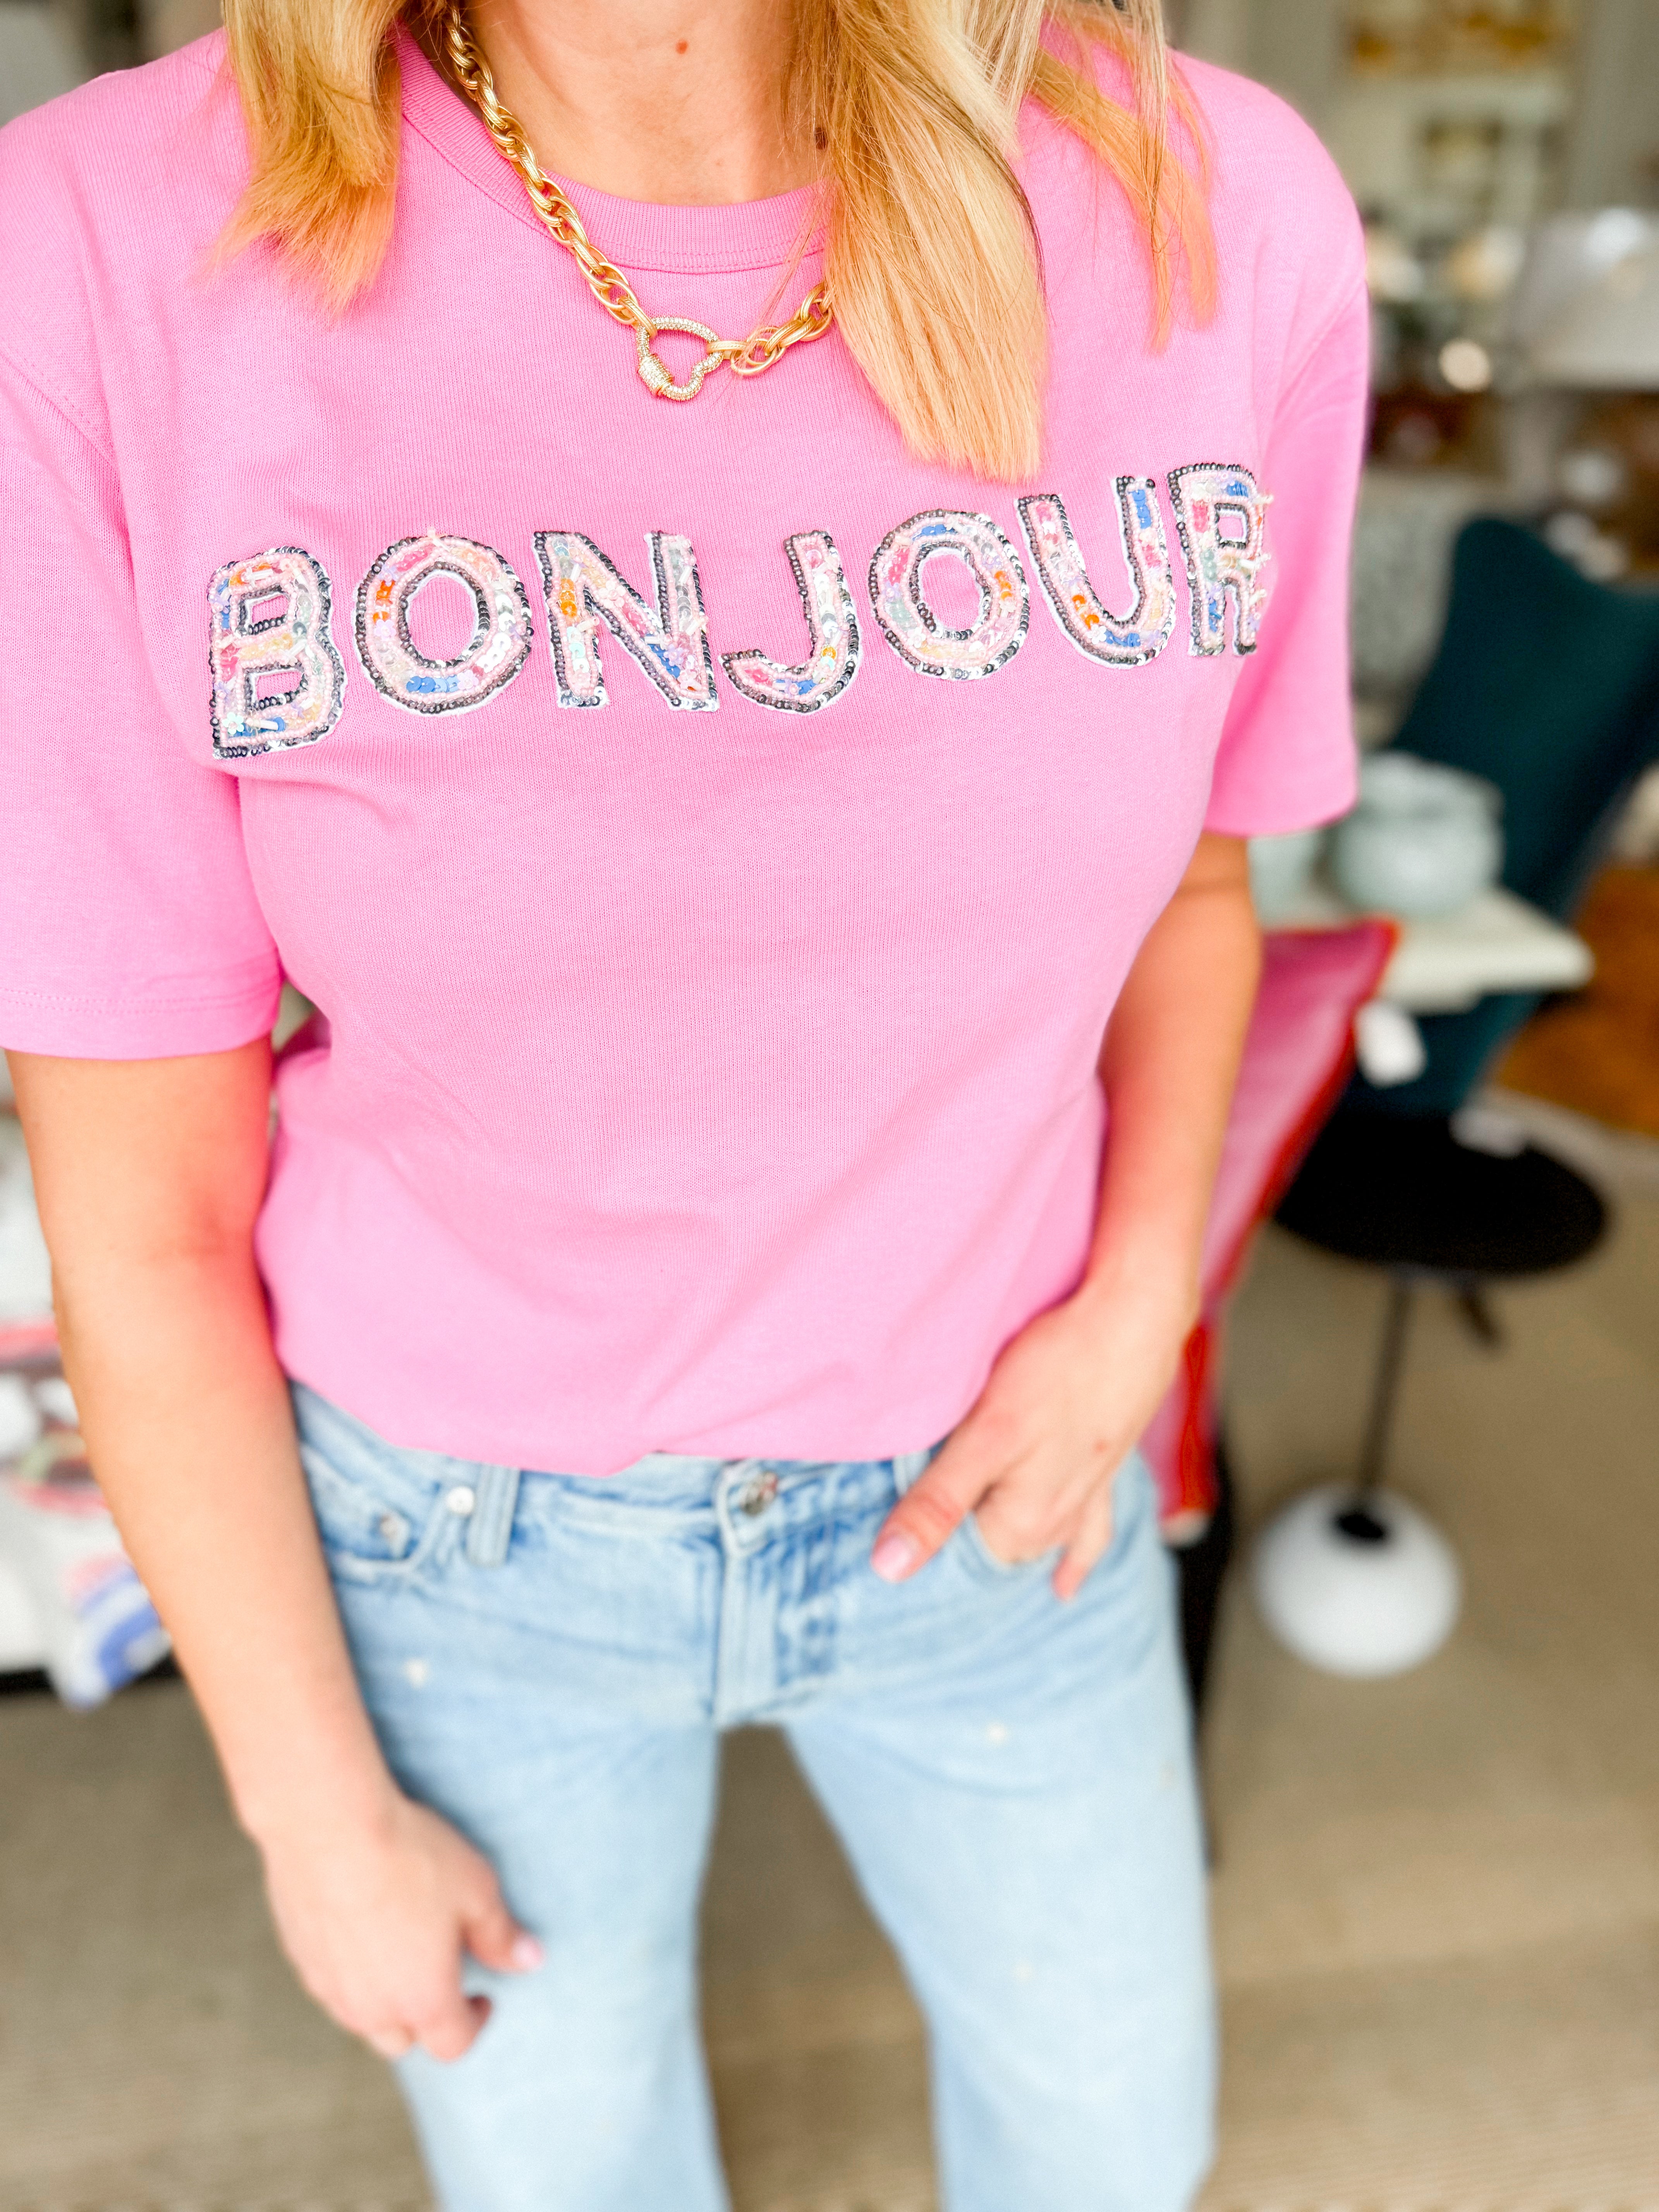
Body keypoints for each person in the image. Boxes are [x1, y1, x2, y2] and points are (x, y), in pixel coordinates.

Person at [0, 0, 1367, 2202]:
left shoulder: (1209, 200)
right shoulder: (100, 248)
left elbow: (1200, 883)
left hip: (1006, 1472)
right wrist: (311, 1812)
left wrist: (1141, 1307)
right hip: (463, 1540)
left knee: (1116, 2156)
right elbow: (145, 1206)